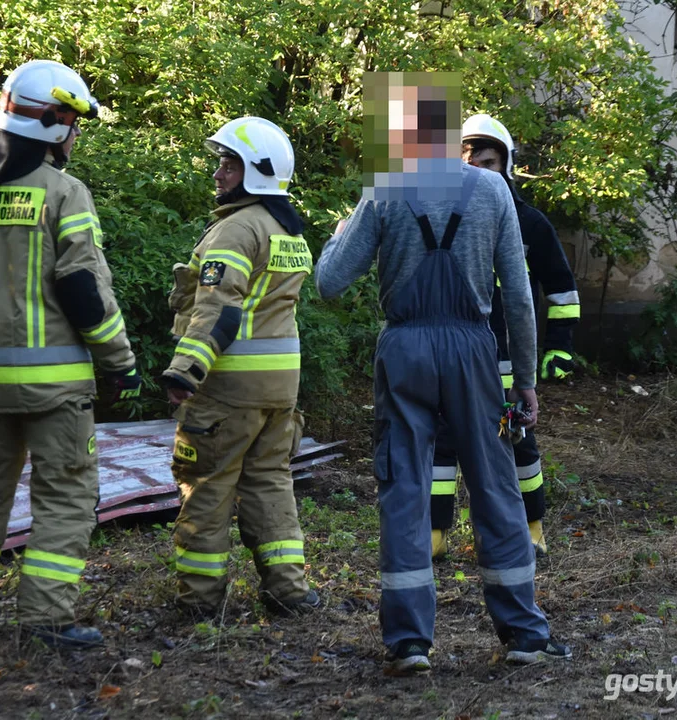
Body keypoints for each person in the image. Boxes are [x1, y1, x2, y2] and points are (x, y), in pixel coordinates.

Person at [315, 73, 570, 675]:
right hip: (476, 349)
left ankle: (409, 643)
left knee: (405, 486)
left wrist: (339, 236)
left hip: (403, 348)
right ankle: (524, 632)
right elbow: (518, 298)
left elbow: (328, 283)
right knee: (495, 483)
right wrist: (525, 379)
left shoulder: (384, 191)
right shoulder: (491, 190)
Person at [0, 59, 141, 648]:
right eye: (75, 122)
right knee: (66, 494)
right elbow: (84, 289)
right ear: (53, 120)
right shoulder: (63, 192)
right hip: (57, 388)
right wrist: (120, 363)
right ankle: (47, 618)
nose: (76, 135)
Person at [162, 116, 319, 618]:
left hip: (229, 388)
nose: (218, 173)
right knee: (270, 482)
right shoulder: (286, 229)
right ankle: (288, 590)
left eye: (229, 163)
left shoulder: (237, 228)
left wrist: (187, 369)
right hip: (280, 390)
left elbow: (219, 308)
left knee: (207, 485)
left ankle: (200, 601)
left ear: (255, 172)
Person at [430, 114, 581, 559]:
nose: (477, 170)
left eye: (489, 162)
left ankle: (531, 530)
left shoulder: (530, 223)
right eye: (468, 160)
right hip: (456, 355)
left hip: (509, 359)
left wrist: (559, 346)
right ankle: (436, 535)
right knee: (442, 444)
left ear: (508, 166)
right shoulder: (443, 215)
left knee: (517, 444)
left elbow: (561, 290)